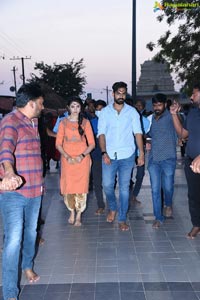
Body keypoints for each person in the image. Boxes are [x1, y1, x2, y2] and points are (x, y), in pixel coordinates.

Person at [0, 83, 44, 300]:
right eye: (42, 103)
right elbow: (6, 148)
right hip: (14, 193)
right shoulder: (11, 121)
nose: (43, 107)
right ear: (32, 103)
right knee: (12, 241)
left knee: (31, 234)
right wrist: (8, 173)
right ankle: (9, 293)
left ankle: (27, 265)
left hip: (36, 189)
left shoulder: (34, 121)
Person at [98, 81, 144, 231]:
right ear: (113, 94)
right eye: (119, 93)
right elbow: (101, 134)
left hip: (127, 155)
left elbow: (138, 133)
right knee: (107, 185)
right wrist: (104, 152)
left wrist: (141, 153)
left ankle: (122, 218)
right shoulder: (105, 112)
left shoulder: (132, 112)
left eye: (124, 93)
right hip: (109, 155)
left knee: (124, 188)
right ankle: (112, 207)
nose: (121, 96)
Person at [56, 97, 95, 226]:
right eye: (73, 106)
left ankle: (79, 215)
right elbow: (58, 144)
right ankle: (71, 211)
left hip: (82, 160)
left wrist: (82, 156)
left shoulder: (85, 122)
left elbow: (92, 144)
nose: (75, 109)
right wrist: (66, 156)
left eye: (78, 106)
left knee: (81, 187)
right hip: (67, 160)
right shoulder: (63, 123)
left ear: (81, 108)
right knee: (68, 187)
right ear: (68, 107)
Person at [170, 84, 200, 238]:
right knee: (194, 195)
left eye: (194, 94)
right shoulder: (193, 113)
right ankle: (197, 224)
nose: (191, 97)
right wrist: (174, 115)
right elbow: (183, 134)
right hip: (191, 163)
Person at [147, 93, 177, 229]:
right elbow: (149, 134)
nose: (157, 107)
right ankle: (158, 217)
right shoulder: (151, 118)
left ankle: (168, 203)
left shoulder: (171, 116)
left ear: (165, 104)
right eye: (155, 105)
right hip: (154, 160)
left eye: (159, 105)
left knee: (168, 187)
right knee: (154, 189)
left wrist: (175, 112)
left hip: (168, 158)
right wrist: (147, 141)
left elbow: (180, 128)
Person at [90, 100, 107, 215]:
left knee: (109, 182)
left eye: (102, 109)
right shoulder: (90, 123)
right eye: (98, 109)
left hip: (109, 155)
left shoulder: (110, 122)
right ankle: (101, 204)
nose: (100, 111)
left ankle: (111, 201)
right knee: (97, 182)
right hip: (95, 155)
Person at [131, 99, 150, 205]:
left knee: (140, 174)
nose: (138, 108)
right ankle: (127, 195)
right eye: (136, 105)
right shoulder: (128, 118)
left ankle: (134, 195)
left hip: (140, 152)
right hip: (128, 152)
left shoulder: (146, 121)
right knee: (127, 175)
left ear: (143, 107)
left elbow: (146, 135)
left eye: (140, 106)